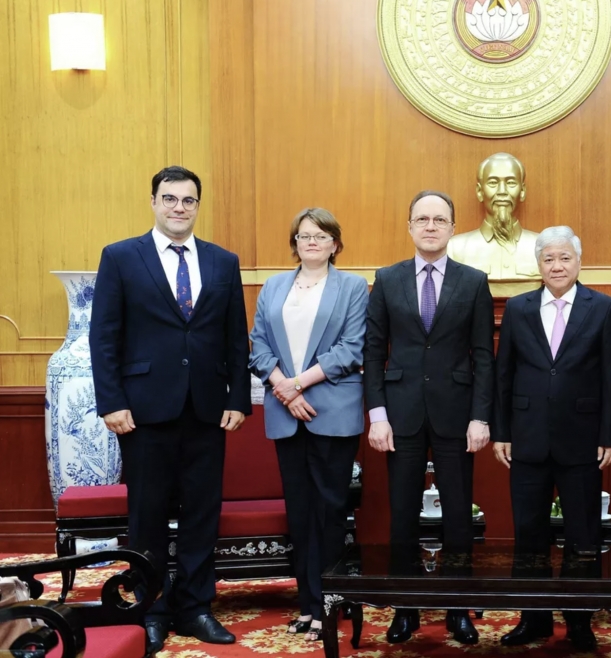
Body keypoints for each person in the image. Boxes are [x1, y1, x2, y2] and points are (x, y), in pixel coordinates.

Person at [90, 166, 251, 654]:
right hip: (142, 411)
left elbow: (234, 338)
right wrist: (112, 401)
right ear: (154, 202)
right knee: (148, 516)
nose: (179, 207)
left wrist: (238, 398)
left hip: (207, 409)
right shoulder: (121, 257)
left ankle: (196, 607)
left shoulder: (223, 262)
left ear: (198, 205)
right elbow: (104, 336)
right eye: (169, 198)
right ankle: (151, 608)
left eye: (188, 200)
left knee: (204, 513)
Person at [362, 190, 494, 645]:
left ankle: (458, 608)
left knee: (458, 515)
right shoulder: (387, 278)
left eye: (440, 219)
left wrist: (481, 417)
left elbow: (483, 356)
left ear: (453, 227)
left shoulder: (474, 281)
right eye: (423, 219)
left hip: (458, 416)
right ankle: (406, 608)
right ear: (410, 227)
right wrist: (377, 415)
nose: (431, 226)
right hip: (400, 416)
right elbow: (374, 351)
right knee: (403, 515)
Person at [493, 226, 611, 652]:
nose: (557, 265)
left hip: (583, 440)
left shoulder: (603, 308)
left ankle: (580, 621)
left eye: (564, 257)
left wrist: (609, 434)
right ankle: (533, 619)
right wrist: (502, 431)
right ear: (539, 264)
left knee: (583, 535)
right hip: (527, 439)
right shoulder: (518, 307)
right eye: (549, 258)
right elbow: (504, 374)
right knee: (528, 533)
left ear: (578, 262)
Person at [248, 208, 368, 642]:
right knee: (299, 514)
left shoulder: (353, 286)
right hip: (285, 412)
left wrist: (296, 385)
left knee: (330, 511)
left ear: (335, 243)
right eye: (303, 236)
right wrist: (283, 388)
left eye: (320, 236)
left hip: (332, 412)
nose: (311, 242)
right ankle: (307, 604)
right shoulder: (275, 286)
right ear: (294, 243)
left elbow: (352, 348)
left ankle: (329, 605)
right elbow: (258, 343)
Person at [447, 152, 541, 279]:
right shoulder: (455, 248)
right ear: (480, 191)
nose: (502, 191)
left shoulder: (543, 246)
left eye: (511, 183)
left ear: (522, 191)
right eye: (493, 183)